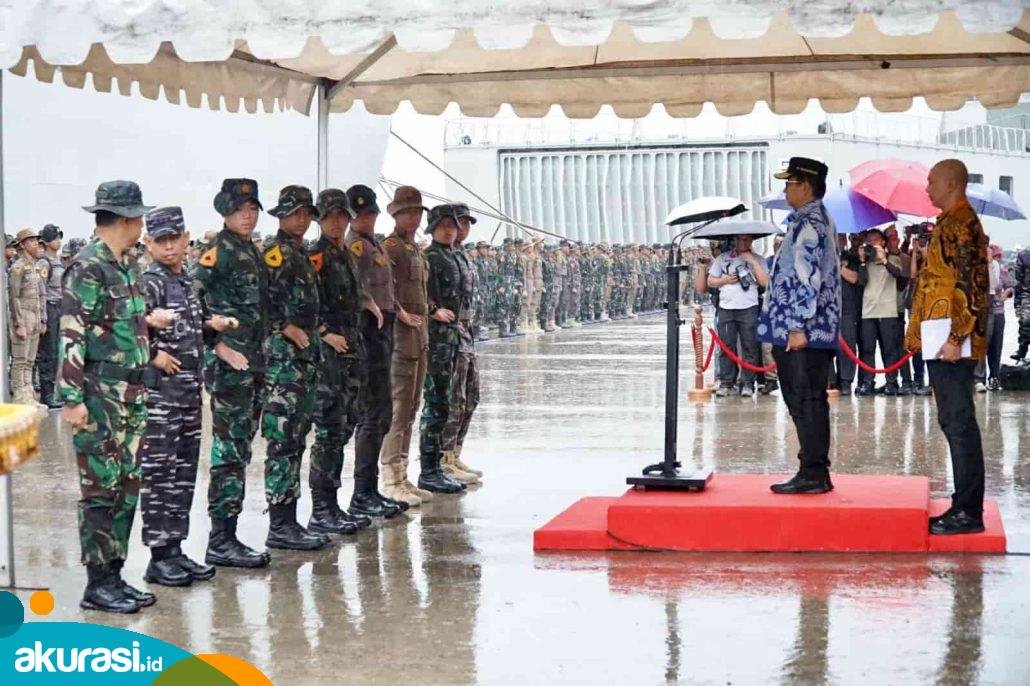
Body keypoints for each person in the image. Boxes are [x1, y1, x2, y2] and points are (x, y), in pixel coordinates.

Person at [60, 181, 156, 613]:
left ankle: (115, 574)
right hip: (99, 394)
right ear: (124, 219)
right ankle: (97, 583)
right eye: (139, 217)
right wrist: (71, 398)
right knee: (100, 488)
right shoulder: (88, 266)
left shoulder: (127, 264)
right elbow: (71, 334)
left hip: (132, 392)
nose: (142, 224)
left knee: (127, 485)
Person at [138, 207, 228, 587]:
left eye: (175, 238)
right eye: (161, 240)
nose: (169, 247)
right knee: (160, 475)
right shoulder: (149, 283)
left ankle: (175, 549)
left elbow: (197, 328)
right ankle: (158, 557)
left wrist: (213, 326)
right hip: (161, 397)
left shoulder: (187, 281)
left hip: (190, 393)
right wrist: (152, 353)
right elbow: (126, 329)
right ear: (148, 243)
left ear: (186, 238)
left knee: (184, 474)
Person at [906, 159, 989, 535]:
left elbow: (972, 286)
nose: (927, 188)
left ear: (952, 184)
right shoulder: (949, 222)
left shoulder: (962, 224)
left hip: (951, 340)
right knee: (952, 421)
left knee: (958, 423)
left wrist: (957, 338)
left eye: (932, 182)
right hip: (940, 336)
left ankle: (968, 512)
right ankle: (962, 503)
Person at [192, 178, 271, 569]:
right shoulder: (217, 252)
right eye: (241, 210)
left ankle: (228, 535)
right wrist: (217, 345)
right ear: (225, 211)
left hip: (254, 363)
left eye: (253, 209)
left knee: (241, 448)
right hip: (229, 367)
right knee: (228, 451)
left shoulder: (251, 250)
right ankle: (221, 540)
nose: (248, 216)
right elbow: (192, 302)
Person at [758, 157, 840, 494]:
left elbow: (807, 279)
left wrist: (796, 325)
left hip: (804, 330)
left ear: (805, 186)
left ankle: (814, 473)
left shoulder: (810, 223)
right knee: (807, 400)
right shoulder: (811, 219)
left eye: (789, 184)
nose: (785, 190)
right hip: (808, 328)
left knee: (805, 400)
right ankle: (813, 469)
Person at [260, 186, 329, 551]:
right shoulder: (275, 253)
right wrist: (283, 326)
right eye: (295, 213)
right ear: (281, 215)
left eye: (306, 214)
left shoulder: (300, 252)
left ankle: (289, 520)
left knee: (297, 439)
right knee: (283, 440)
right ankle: (280, 524)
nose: (302, 220)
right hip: (283, 363)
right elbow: (260, 298)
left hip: (303, 361)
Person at [307, 189, 371, 535]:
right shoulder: (315, 256)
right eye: (329, 216)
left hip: (351, 352)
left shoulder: (345, 253)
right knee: (329, 430)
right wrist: (323, 333)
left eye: (341, 216)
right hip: (329, 356)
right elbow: (304, 303)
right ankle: (321, 508)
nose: (336, 222)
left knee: (345, 425)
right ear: (319, 219)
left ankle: (333, 505)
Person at [345, 184, 409, 517]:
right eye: (361, 215)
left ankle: (369, 490)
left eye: (371, 213)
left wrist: (397, 310)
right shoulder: (355, 246)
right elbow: (353, 286)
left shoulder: (372, 243)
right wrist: (367, 302)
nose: (367, 219)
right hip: (368, 331)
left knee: (382, 412)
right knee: (372, 414)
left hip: (383, 328)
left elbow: (385, 288)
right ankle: (362, 493)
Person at [380, 186, 435, 506]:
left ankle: (403, 475)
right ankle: (390, 477)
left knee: (413, 406)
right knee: (399, 407)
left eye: (416, 212)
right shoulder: (392, 248)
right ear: (395, 215)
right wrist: (400, 313)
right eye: (407, 213)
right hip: (401, 338)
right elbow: (383, 288)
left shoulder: (415, 249)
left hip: (419, 336)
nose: (413, 218)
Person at [418, 205, 470, 496]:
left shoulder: (452, 256)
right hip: (435, 339)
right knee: (435, 402)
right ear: (433, 228)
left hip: (451, 338)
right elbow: (415, 293)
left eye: (453, 225)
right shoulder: (431, 257)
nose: (450, 230)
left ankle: (436, 466)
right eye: (444, 225)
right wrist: (432, 310)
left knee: (444, 402)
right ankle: (428, 470)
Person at [440, 203, 484, 484]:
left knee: (470, 397)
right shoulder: (438, 256)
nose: (463, 229)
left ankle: (455, 452)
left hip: (466, 333)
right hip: (449, 336)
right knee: (453, 399)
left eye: (467, 223)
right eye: (459, 223)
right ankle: (443, 458)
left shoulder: (461, 255)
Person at [707, 233, 769, 397]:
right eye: (741, 239)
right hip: (726, 307)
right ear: (735, 240)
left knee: (750, 346)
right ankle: (727, 382)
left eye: (748, 239)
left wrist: (752, 262)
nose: (744, 242)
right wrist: (726, 280)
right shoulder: (723, 258)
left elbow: (765, 282)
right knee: (726, 346)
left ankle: (747, 383)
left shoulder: (758, 259)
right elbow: (711, 281)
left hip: (749, 307)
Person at [854, 228, 905, 396]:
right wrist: (862, 261)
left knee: (889, 349)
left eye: (875, 240)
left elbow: (897, 274)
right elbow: (861, 282)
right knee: (868, 349)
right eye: (869, 241)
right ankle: (868, 382)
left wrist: (884, 259)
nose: (872, 243)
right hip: (868, 311)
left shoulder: (893, 258)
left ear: (883, 242)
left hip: (887, 311)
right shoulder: (867, 261)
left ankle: (891, 382)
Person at [8, 229, 46, 406]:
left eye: (36, 240)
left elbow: (39, 295)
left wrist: (41, 320)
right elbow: (14, 296)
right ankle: (19, 394)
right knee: (20, 360)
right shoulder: (18, 267)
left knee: (30, 360)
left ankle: (28, 394)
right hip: (23, 316)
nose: (36, 243)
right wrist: (19, 323)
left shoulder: (35, 266)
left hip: (34, 316)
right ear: (22, 245)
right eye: (31, 241)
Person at [35, 224, 64, 408]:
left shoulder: (59, 262)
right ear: (46, 242)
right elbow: (41, 291)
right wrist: (43, 318)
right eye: (54, 237)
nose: (58, 241)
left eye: (59, 237)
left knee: (58, 353)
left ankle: (53, 392)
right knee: (48, 353)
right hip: (50, 307)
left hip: (60, 307)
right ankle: (47, 395)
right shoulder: (44, 263)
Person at [834, 233, 863, 396]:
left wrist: (839, 267)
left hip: (848, 307)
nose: (838, 240)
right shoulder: (823, 256)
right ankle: (831, 380)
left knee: (848, 345)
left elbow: (855, 278)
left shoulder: (852, 258)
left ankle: (846, 381)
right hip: (828, 307)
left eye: (841, 237)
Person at [1012, 247, 1030, 361]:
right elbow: (1018, 281)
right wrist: (1017, 303)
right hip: (1027, 294)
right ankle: (1022, 350)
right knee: (1025, 322)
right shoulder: (1024, 255)